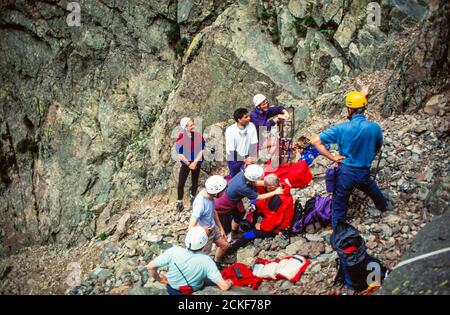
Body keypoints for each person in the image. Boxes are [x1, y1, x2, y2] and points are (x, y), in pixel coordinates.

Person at [311, 91, 388, 229]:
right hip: (363, 171)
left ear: (350, 109)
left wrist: (333, 157)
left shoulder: (341, 128)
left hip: (346, 172)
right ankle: (383, 207)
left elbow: (316, 141)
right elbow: (378, 147)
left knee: (340, 201)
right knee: (371, 188)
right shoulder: (375, 128)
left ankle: (338, 229)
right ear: (363, 108)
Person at [146, 226, 233, 295]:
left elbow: (150, 266)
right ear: (204, 243)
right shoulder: (206, 261)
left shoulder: (174, 251)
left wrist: (160, 280)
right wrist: (229, 282)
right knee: (212, 277)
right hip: (192, 290)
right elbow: (224, 287)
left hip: (172, 289)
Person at [227, 174, 294, 254]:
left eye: (266, 186)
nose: (264, 187)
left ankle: (231, 250)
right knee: (254, 203)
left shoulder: (277, 200)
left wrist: (261, 226)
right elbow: (266, 202)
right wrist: (256, 206)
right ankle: (251, 223)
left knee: (248, 235)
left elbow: (273, 220)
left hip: (279, 227)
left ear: (272, 187)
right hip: (275, 214)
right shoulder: (280, 185)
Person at [214, 164, 283, 240]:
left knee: (239, 214)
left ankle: (233, 232)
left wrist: (270, 183)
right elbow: (258, 197)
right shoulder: (244, 187)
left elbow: (254, 183)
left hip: (229, 196)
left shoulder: (243, 174)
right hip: (224, 203)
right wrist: (274, 192)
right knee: (229, 220)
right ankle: (230, 236)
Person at [188, 175, 230, 263]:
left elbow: (213, 211)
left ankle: (217, 262)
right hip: (205, 234)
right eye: (222, 191)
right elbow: (191, 227)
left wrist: (221, 228)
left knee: (225, 246)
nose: (224, 192)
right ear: (216, 193)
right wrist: (203, 229)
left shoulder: (209, 195)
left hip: (213, 228)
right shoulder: (200, 204)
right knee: (203, 258)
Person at [175, 117, 205, 212]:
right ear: (185, 128)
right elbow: (179, 154)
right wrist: (189, 164)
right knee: (181, 183)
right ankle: (180, 201)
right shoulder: (181, 137)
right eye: (191, 125)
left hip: (196, 161)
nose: (193, 126)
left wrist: (195, 162)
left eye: (193, 124)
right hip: (186, 163)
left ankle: (193, 199)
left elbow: (202, 150)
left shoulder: (198, 135)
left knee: (194, 181)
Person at [250, 94, 290, 161]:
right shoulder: (253, 115)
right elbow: (264, 126)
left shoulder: (265, 110)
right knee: (274, 140)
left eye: (266, 103)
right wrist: (276, 119)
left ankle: (268, 158)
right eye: (263, 104)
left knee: (275, 140)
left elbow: (278, 108)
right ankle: (265, 159)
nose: (266, 105)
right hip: (253, 142)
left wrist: (285, 113)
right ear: (258, 106)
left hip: (260, 138)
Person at [225, 108, 258, 178]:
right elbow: (231, 150)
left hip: (247, 156)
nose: (249, 118)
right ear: (239, 119)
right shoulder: (230, 130)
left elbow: (254, 143)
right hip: (234, 159)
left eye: (248, 116)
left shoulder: (251, 126)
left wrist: (250, 158)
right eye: (246, 117)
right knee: (235, 178)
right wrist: (244, 160)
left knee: (249, 178)